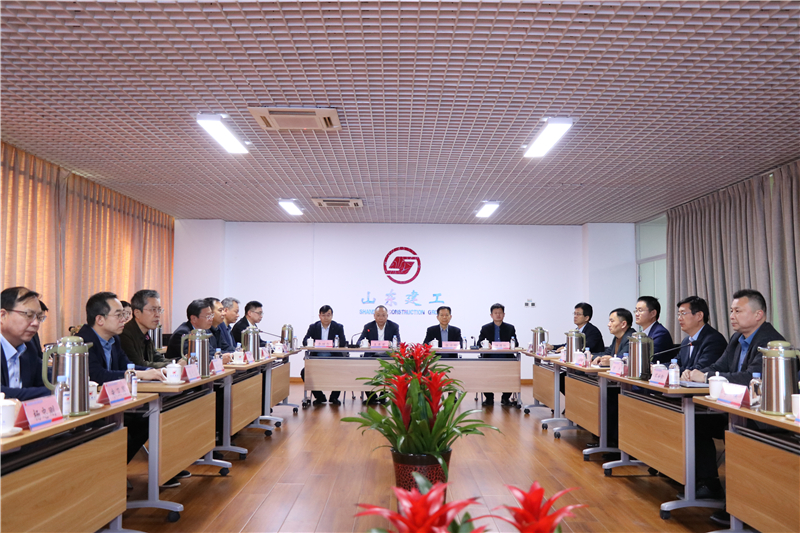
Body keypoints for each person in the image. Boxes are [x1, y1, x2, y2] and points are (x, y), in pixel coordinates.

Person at [686, 289, 785, 521]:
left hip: (759, 415)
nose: (732, 315)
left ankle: (741, 506)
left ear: (758, 315)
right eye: (731, 311)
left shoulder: (770, 341)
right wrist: (697, 373)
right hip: (734, 410)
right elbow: (720, 366)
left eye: (738, 311)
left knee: (738, 436)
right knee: (694, 422)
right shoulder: (737, 339)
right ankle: (709, 483)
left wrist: (707, 377)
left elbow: (751, 378)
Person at [77, 292, 187, 487]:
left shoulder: (114, 339)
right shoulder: (84, 341)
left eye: (124, 314)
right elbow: (97, 375)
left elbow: (126, 365)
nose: (124, 319)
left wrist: (151, 372)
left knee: (150, 417)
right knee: (136, 423)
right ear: (100, 319)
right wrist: (142, 373)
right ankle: (106, 476)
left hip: (113, 401)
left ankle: (115, 472)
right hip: (90, 406)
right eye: (119, 315)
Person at [0, 287, 50, 401]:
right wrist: (55, 391)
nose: (36, 323)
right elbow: (2, 393)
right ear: (2, 315)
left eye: (39, 317)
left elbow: (46, 379)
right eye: (28, 315)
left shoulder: (29, 348)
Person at [300, 305, 347, 405]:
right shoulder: (313, 327)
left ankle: (334, 397)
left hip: (333, 359)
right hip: (316, 359)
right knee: (304, 372)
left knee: (342, 371)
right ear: (319, 316)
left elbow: (343, 343)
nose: (326, 318)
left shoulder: (338, 327)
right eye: (323, 315)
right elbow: (304, 341)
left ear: (332, 316)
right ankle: (320, 397)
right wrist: (311, 343)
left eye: (328, 315)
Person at [120, 289, 178, 369]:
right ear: (137, 313)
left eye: (159, 310)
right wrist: (173, 365)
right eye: (153, 310)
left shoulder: (145, 334)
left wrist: (178, 362)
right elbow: (138, 365)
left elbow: (156, 358)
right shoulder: (124, 334)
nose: (157, 315)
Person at [477, 303, 518, 406]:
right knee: (486, 376)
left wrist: (510, 344)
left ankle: (505, 398)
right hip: (489, 358)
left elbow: (516, 343)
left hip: (507, 358)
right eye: (495, 313)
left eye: (500, 313)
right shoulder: (485, 328)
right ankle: (489, 398)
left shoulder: (510, 328)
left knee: (510, 376)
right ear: (491, 315)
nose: (498, 315)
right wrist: (486, 344)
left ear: (504, 314)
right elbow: (479, 343)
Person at [674, 296, 727, 374]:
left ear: (699, 316)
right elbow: (676, 363)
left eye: (683, 313)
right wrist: (660, 368)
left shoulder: (714, 340)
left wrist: (674, 371)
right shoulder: (686, 341)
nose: (679, 318)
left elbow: (701, 369)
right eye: (678, 314)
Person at [634, 296, 674, 363]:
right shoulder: (641, 333)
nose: (636, 314)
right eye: (636, 311)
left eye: (640, 310)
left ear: (653, 313)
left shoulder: (660, 333)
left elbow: (650, 358)